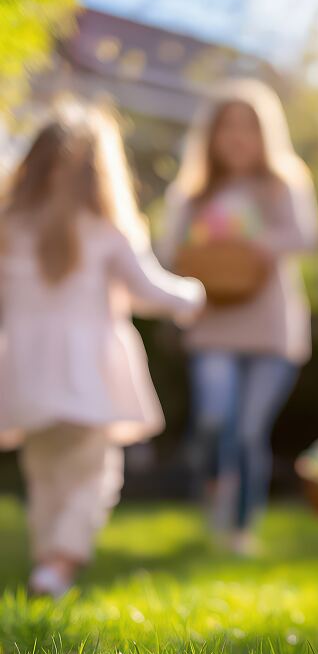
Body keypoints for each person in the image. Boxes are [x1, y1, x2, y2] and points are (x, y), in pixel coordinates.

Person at [0, 104, 205, 597]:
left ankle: (47, 563)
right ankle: (58, 565)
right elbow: (151, 291)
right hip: (87, 372)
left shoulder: (9, 227)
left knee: (45, 471)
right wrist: (195, 295)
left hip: (25, 370)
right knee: (94, 473)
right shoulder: (109, 229)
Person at [159, 79, 318, 553]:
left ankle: (241, 529)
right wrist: (205, 250)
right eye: (227, 126)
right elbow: (170, 253)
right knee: (214, 417)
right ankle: (214, 483)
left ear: (266, 134)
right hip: (213, 325)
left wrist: (258, 244)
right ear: (211, 135)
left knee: (250, 430)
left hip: (271, 327)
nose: (236, 137)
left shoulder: (283, 183)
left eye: (247, 127)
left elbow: (305, 238)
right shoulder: (192, 195)